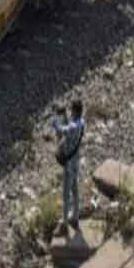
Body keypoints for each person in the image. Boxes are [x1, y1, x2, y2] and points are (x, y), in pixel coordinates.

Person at [51, 100, 85, 234]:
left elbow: (60, 129)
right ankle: (75, 217)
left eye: (71, 110)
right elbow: (69, 123)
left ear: (75, 111)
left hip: (69, 164)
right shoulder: (81, 122)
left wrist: (54, 119)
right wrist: (63, 114)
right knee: (75, 189)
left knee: (66, 195)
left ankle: (64, 225)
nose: (70, 112)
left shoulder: (72, 127)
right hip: (76, 160)